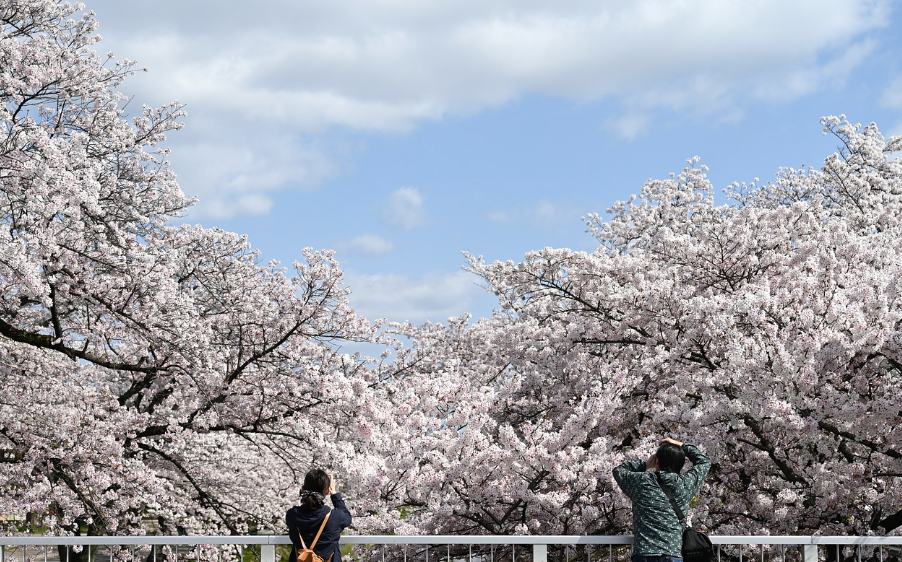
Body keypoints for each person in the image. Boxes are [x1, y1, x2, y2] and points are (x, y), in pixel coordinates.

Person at [613, 438, 711, 562]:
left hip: (644, 552)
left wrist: (645, 465)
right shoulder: (685, 484)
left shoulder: (641, 481)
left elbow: (618, 471)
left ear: (657, 461)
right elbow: (704, 461)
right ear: (681, 464)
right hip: (672, 552)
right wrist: (680, 445)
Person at [286, 469, 352, 562]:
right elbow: (347, 517)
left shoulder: (292, 515)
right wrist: (334, 494)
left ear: (303, 488)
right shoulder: (334, 517)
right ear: (327, 492)